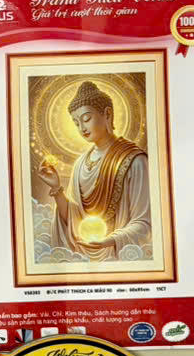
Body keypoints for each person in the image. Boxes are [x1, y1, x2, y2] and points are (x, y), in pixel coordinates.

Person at [38, 80, 152, 262]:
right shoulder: (80, 164)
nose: (82, 128)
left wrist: (110, 240)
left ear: (107, 114)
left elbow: (144, 223)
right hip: (83, 253)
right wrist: (56, 188)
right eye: (76, 123)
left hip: (119, 255)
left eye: (86, 119)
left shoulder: (135, 161)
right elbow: (73, 221)